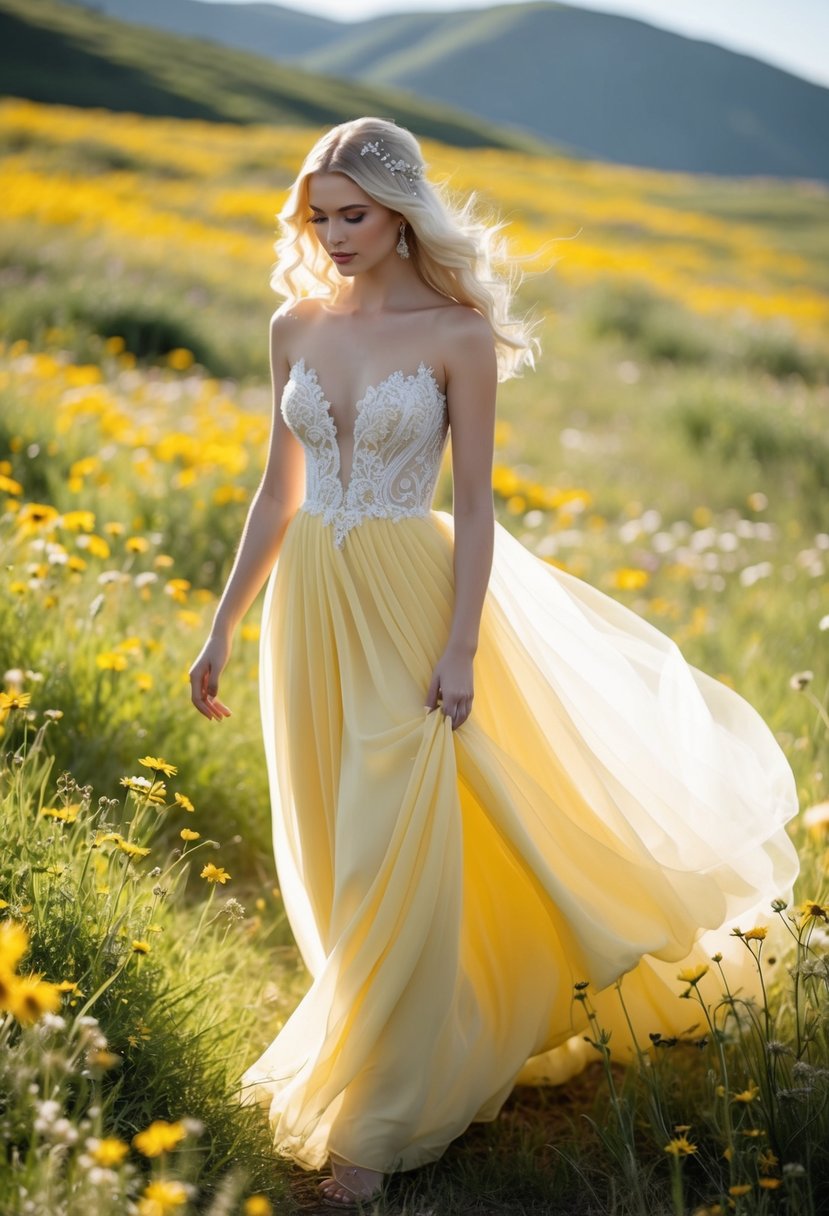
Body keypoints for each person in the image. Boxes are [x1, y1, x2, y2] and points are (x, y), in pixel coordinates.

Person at [188, 116, 800, 1209]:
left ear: (402, 211)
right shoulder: (293, 326)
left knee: (393, 845)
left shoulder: (457, 335)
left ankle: (376, 1127)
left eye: (354, 215)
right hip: (310, 612)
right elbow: (275, 491)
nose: (332, 234)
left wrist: (461, 644)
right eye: (318, 216)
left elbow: (472, 506)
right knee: (338, 853)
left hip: (411, 601)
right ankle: (395, 1040)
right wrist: (223, 623)